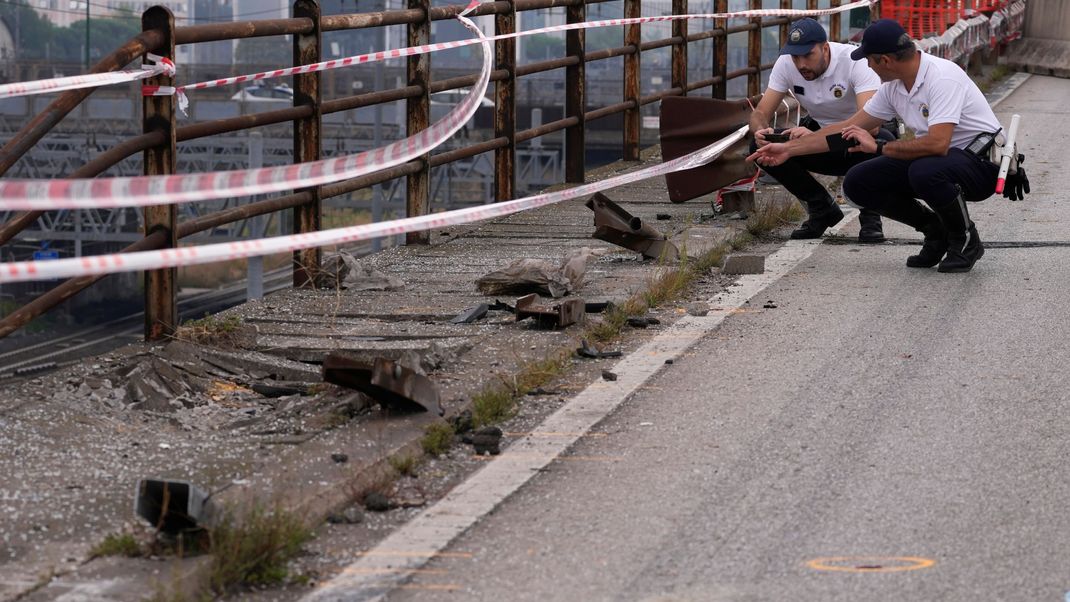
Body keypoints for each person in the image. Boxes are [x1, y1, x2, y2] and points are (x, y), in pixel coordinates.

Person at [748, 19, 1028, 273]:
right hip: (942, 161)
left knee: (924, 170)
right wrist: (788, 150)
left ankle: (965, 239)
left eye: (869, 61)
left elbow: (938, 144)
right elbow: (844, 130)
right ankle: (935, 231)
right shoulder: (893, 86)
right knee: (859, 182)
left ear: (884, 60)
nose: (867, 67)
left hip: (981, 165)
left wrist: (879, 148)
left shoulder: (941, 78)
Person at [750, 17, 892, 243]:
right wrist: (760, 131)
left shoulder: (854, 62)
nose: (801, 64)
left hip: (856, 141)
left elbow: (871, 126)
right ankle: (821, 208)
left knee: (874, 141)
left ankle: (871, 215)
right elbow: (760, 113)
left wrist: (814, 138)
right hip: (819, 140)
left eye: (808, 55)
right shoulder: (786, 64)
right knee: (762, 146)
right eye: (796, 56)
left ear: (825, 48)